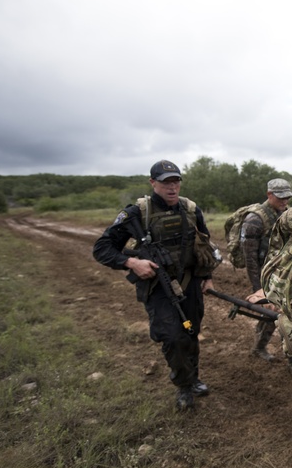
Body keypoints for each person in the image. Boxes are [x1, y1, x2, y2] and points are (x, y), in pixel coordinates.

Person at [92, 160, 217, 411]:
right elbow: (102, 248)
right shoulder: (137, 213)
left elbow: (204, 246)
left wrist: (206, 276)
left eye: (176, 182)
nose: (172, 188)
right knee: (172, 336)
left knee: (191, 332)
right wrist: (131, 262)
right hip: (158, 287)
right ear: (153, 183)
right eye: (165, 182)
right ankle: (183, 385)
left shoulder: (191, 209)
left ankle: (193, 378)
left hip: (190, 283)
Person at [239, 178, 292, 378]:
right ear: (269, 194)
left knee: (279, 314)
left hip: (285, 274)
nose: (285, 201)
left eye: (287, 197)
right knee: (283, 315)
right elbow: (250, 259)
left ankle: (260, 347)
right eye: (280, 197)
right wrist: (258, 288)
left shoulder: (287, 214)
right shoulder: (255, 220)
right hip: (265, 278)